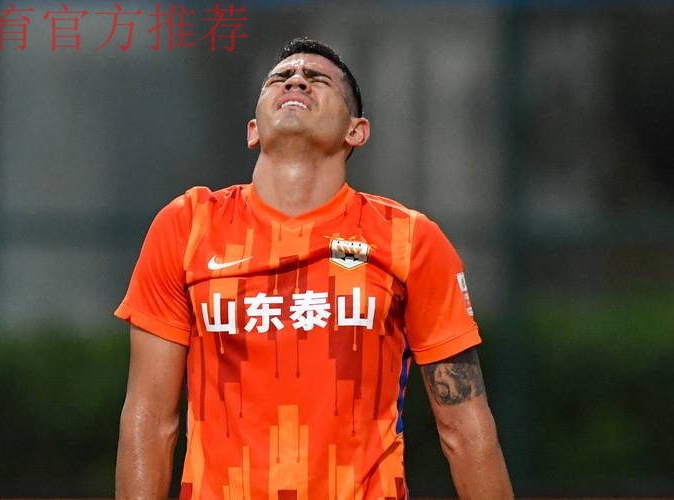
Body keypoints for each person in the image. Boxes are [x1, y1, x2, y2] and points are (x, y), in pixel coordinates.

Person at [114, 37, 513, 499]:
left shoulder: (410, 239)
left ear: (356, 131)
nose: (296, 80)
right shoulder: (187, 226)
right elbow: (150, 420)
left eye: (317, 79)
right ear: (253, 130)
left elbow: (464, 429)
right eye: (280, 78)